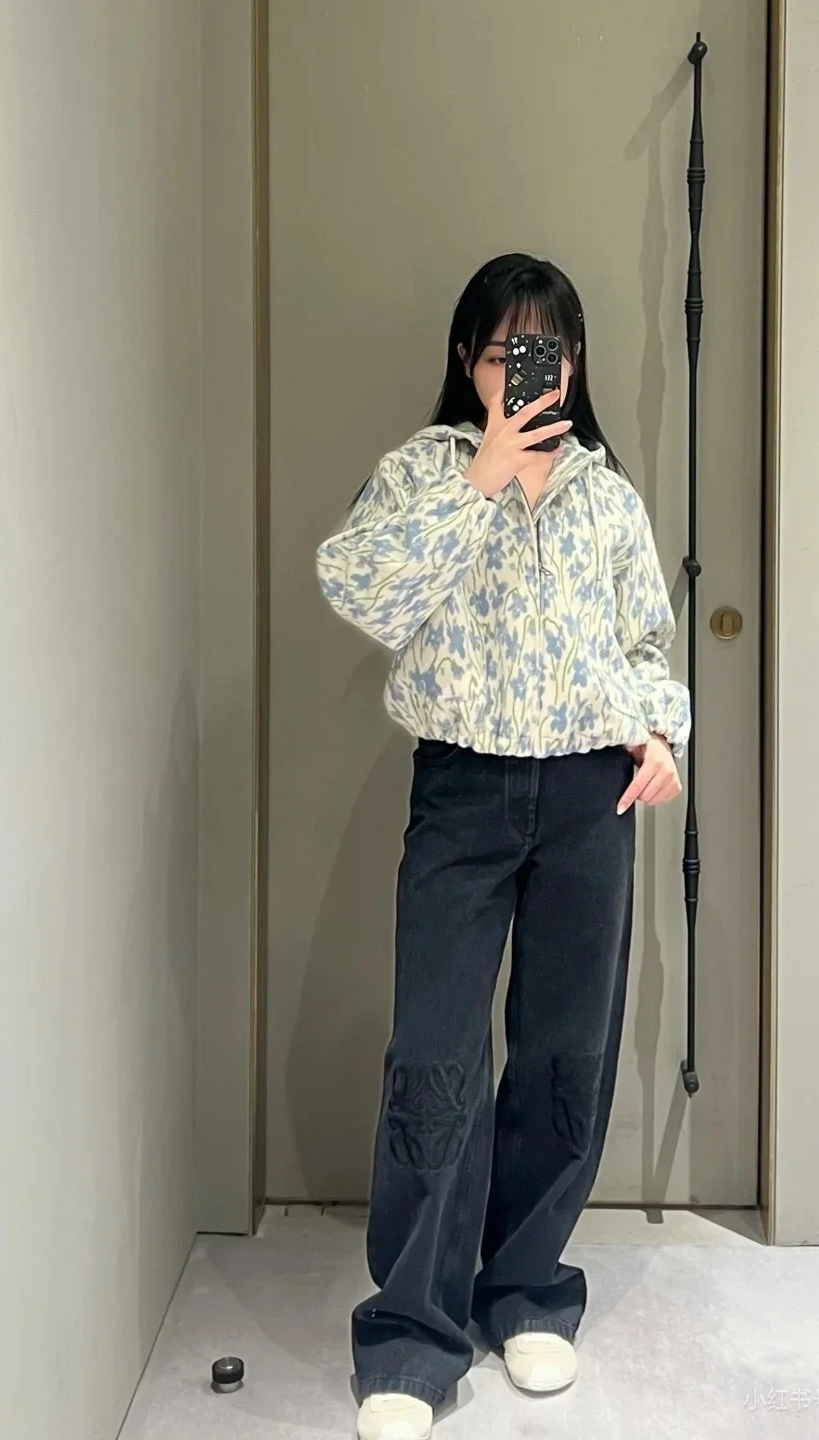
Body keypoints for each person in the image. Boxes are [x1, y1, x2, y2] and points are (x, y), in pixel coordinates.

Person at [317, 253, 690, 1440]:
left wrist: (660, 734)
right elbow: (362, 592)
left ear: (574, 364)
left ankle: (527, 1288)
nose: (530, 372)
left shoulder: (607, 498)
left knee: (566, 1052)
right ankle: (412, 1335)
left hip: (591, 794)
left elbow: (646, 644)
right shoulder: (424, 473)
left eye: (550, 352)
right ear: (467, 361)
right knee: (436, 1055)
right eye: (505, 352)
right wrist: (480, 479)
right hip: (465, 792)